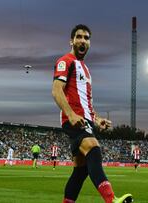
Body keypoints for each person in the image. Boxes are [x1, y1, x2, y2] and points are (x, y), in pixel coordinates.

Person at [52, 24, 133, 203]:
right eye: (79, 37)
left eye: (86, 38)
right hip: (74, 121)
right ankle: (112, 200)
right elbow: (57, 90)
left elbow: (86, 102)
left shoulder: (85, 69)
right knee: (94, 149)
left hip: (85, 121)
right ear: (71, 41)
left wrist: (97, 119)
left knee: (80, 171)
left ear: (89, 43)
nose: (83, 40)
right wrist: (71, 114)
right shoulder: (65, 61)